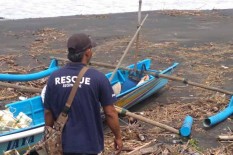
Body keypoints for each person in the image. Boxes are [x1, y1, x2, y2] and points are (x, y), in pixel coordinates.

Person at [43, 33, 123, 155]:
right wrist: (118, 137)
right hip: (91, 146)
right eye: (91, 49)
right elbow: (110, 112)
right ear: (87, 52)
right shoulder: (98, 78)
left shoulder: (54, 78)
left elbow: (48, 112)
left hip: (62, 147)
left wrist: (48, 137)